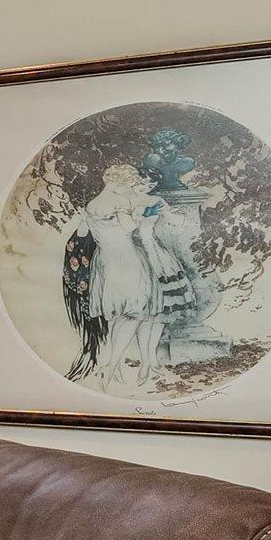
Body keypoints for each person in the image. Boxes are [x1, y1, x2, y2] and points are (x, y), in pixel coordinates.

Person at [62, 163, 186, 398]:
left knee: (123, 312)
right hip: (127, 259)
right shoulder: (118, 203)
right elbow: (129, 228)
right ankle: (110, 367)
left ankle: (114, 364)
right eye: (128, 184)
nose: (130, 188)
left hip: (104, 261)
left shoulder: (91, 205)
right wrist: (141, 215)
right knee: (135, 312)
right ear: (117, 183)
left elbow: (82, 234)